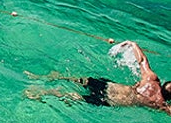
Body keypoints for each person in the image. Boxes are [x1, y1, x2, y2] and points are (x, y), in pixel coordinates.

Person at [27, 41, 170, 112]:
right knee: (74, 96)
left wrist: (133, 44)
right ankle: (42, 93)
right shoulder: (160, 104)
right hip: (109, 99)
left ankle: (41, 77)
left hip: (109, 86)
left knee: (74, 79)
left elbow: (142, 60)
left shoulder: (151, 80)